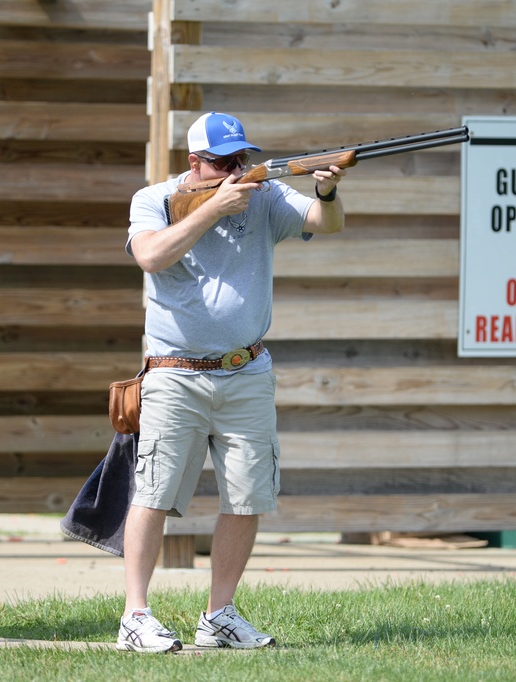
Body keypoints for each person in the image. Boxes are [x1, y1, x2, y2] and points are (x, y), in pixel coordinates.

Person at [118, 112, 346, 653]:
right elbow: (151, 255)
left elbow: (325, 222)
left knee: (247, 497)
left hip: (247, 370)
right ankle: (135, 616)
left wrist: (328, 190)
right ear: (194, 162)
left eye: (240, 159)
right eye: (221, 162)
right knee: (153, 494)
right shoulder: (152, 199)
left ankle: (219, 615)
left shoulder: (262, 194)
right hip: (175, 373)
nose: (234, 169)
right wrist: (214, 208)